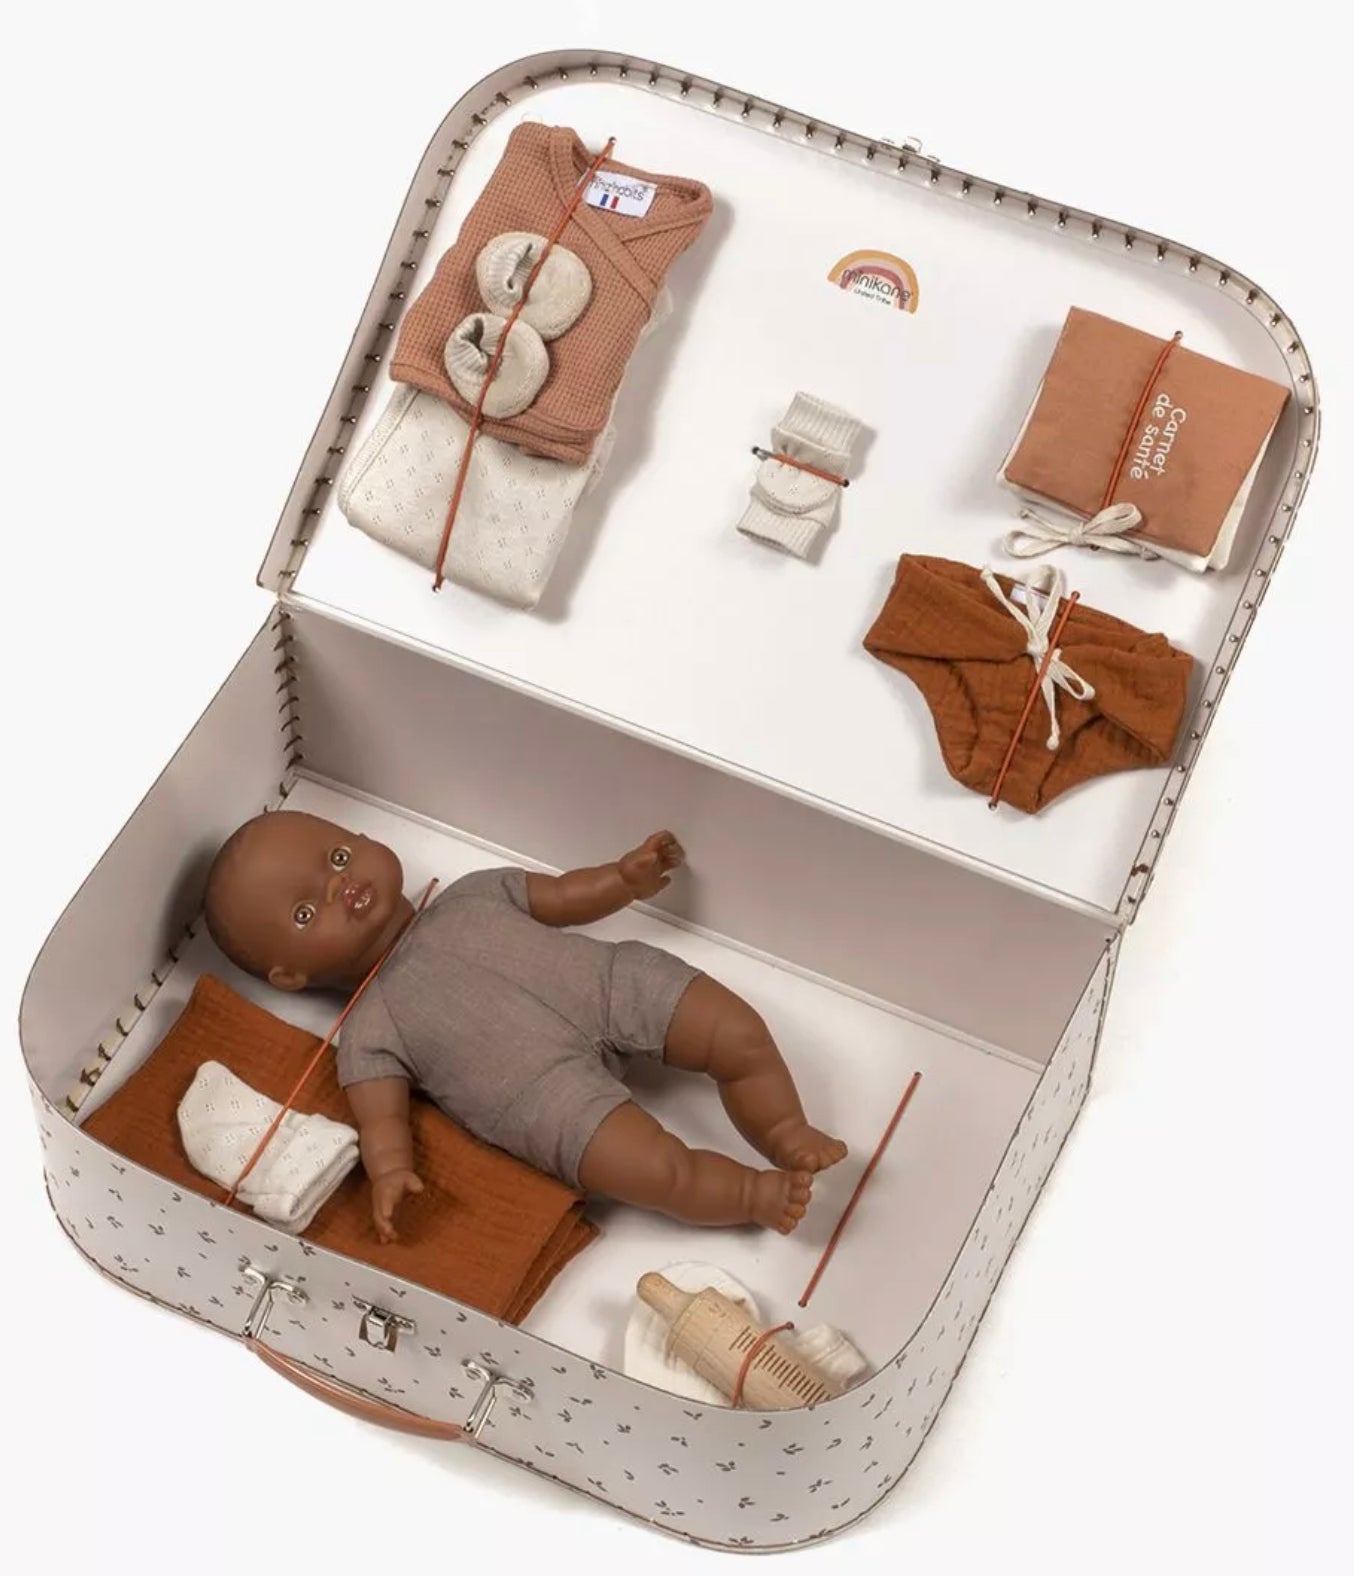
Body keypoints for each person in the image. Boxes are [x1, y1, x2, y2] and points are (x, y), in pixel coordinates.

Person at [204, 812, 846, 1243]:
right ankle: (755, 1196)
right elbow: (382, 1123)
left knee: (735, 1032)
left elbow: (565, 897)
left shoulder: (471, 892)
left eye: (339, 856)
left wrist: (623, 879)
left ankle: (785, 1130)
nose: (340, 885)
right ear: (289, 976)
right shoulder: (369, 1031)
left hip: (608, 984)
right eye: (305, 911)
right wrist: (390, 1172)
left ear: (364, 838)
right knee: (655, 1170)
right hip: (545, 1100)